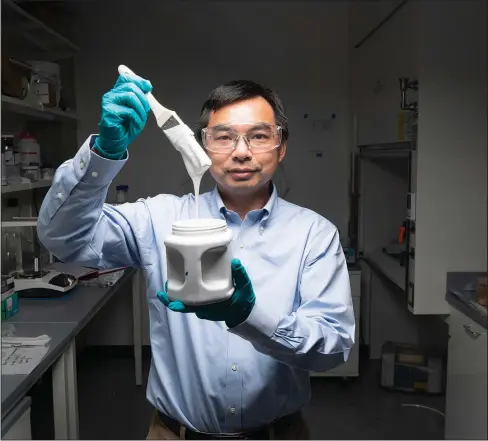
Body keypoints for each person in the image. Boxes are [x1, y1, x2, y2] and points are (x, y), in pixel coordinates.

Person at [37, 72, 355, 440]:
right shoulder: (159, 219)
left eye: (258, 136)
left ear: (281, 146)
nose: (241, 151)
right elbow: (63, 237)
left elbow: (331, 349)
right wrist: (102, 155)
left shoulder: (313, 235)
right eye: (223, 137)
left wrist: (250, 317)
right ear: (203, 146)